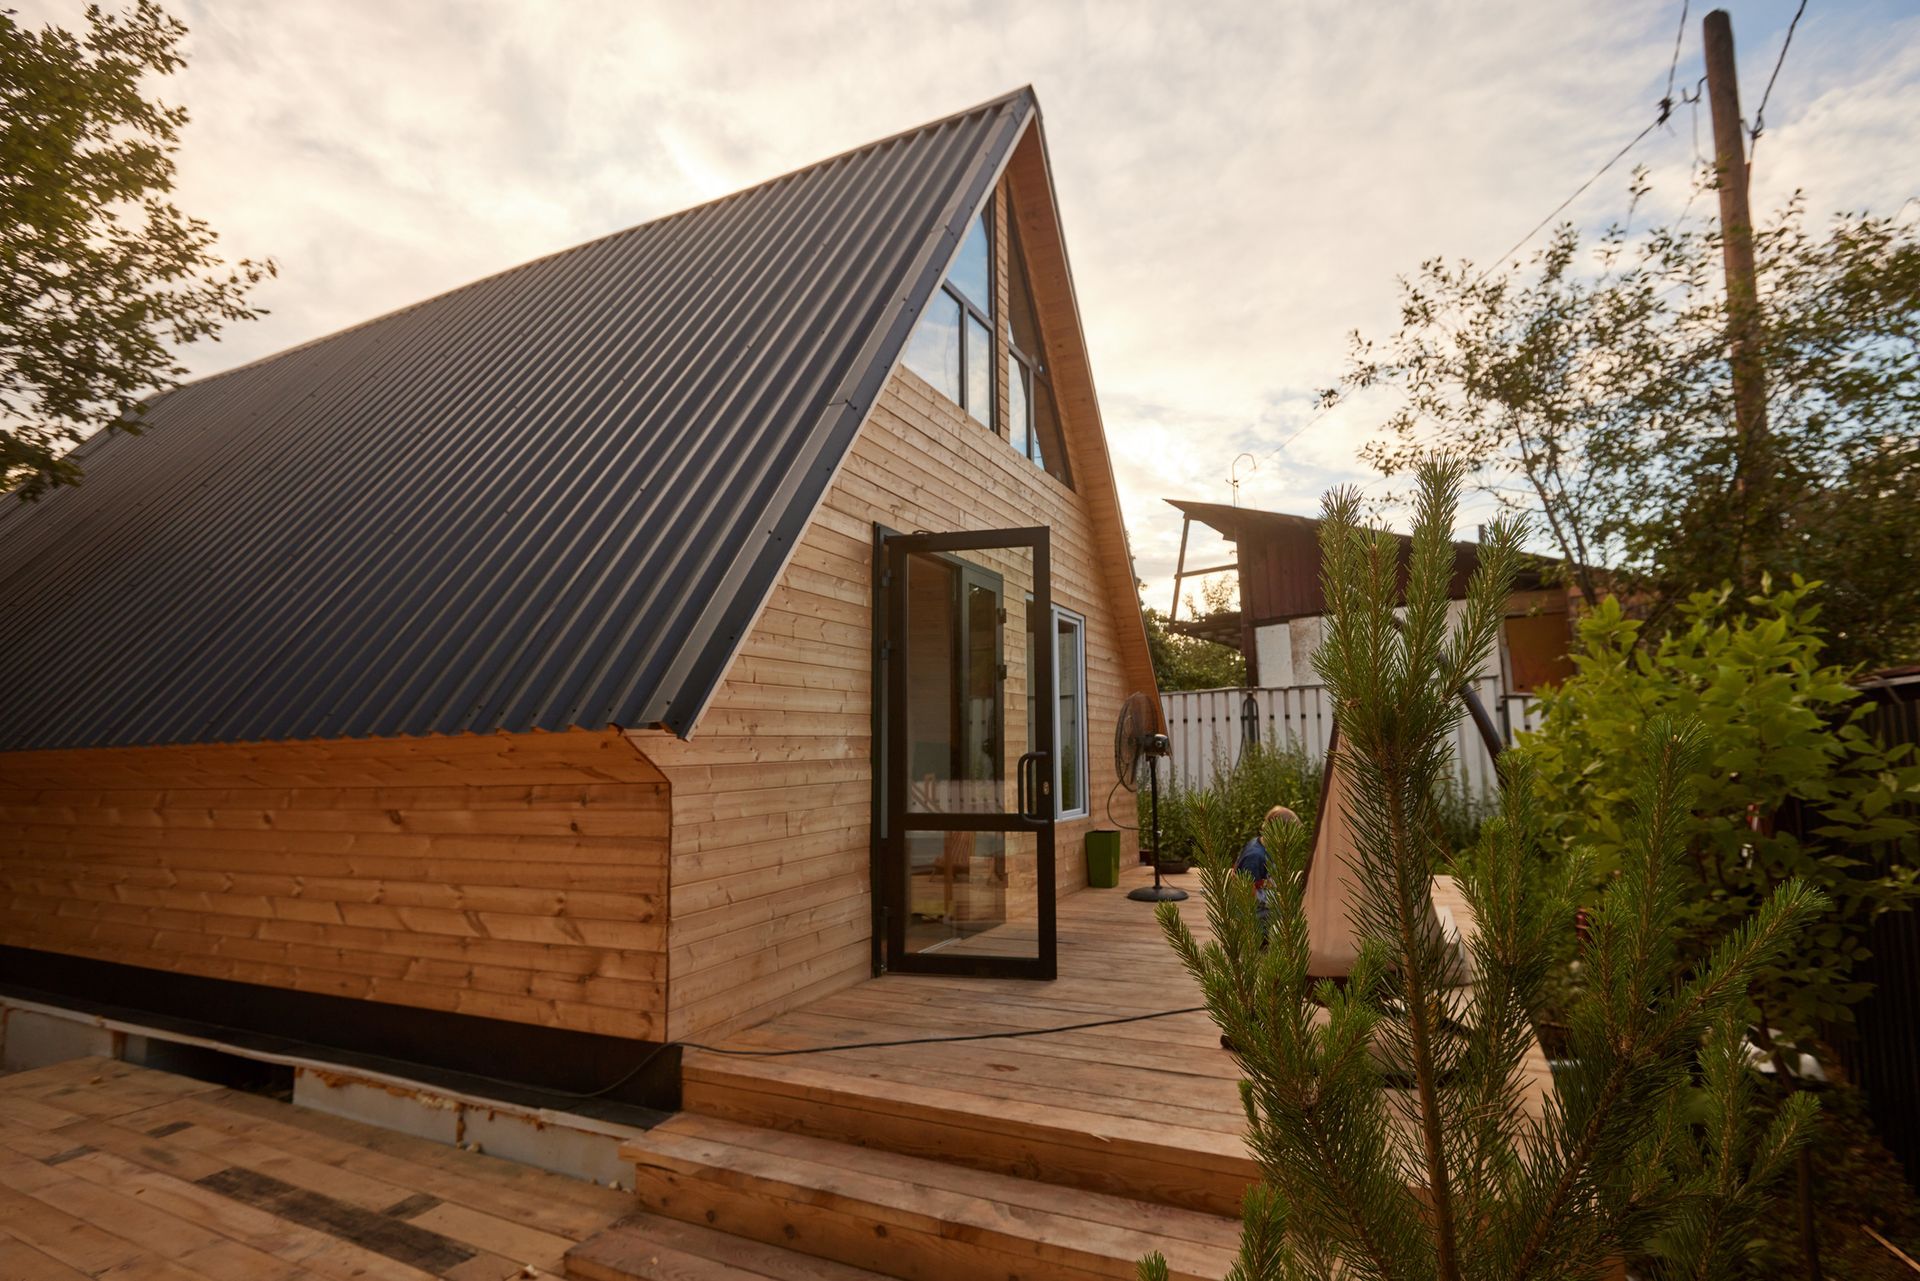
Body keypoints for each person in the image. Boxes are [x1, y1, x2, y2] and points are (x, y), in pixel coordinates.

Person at [1233, 804, 1301, 927]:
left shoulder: (1267, 846)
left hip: (1266, 894)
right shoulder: (1255, 857)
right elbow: (1247, 894)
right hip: (1252, 914)